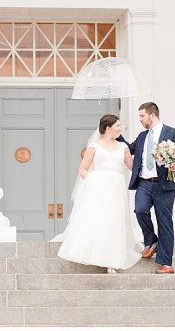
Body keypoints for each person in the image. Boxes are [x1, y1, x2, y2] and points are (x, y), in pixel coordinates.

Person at [56, 114, 141, 273]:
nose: (120, 129)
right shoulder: (94, 146)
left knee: (114, 221)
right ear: (108, 128)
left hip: (116, 188)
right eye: (117, 126)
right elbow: (83, 169)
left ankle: (112, 260)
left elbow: (132, 167)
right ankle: (92, 253)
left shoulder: (123, 147)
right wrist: (92, 181)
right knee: (98, 220)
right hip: (97, 188)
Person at [117, 102, 175, 274]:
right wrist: (115, 134)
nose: (140, 119)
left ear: (152, 115)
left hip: (165, 184)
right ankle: (151, 241)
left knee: (164, 221)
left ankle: (166, 263)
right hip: (144, 183)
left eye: (142, 116)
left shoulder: (172, 132)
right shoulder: (142, 136)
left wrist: (174, 165)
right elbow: (129, 148)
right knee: (140, 210)